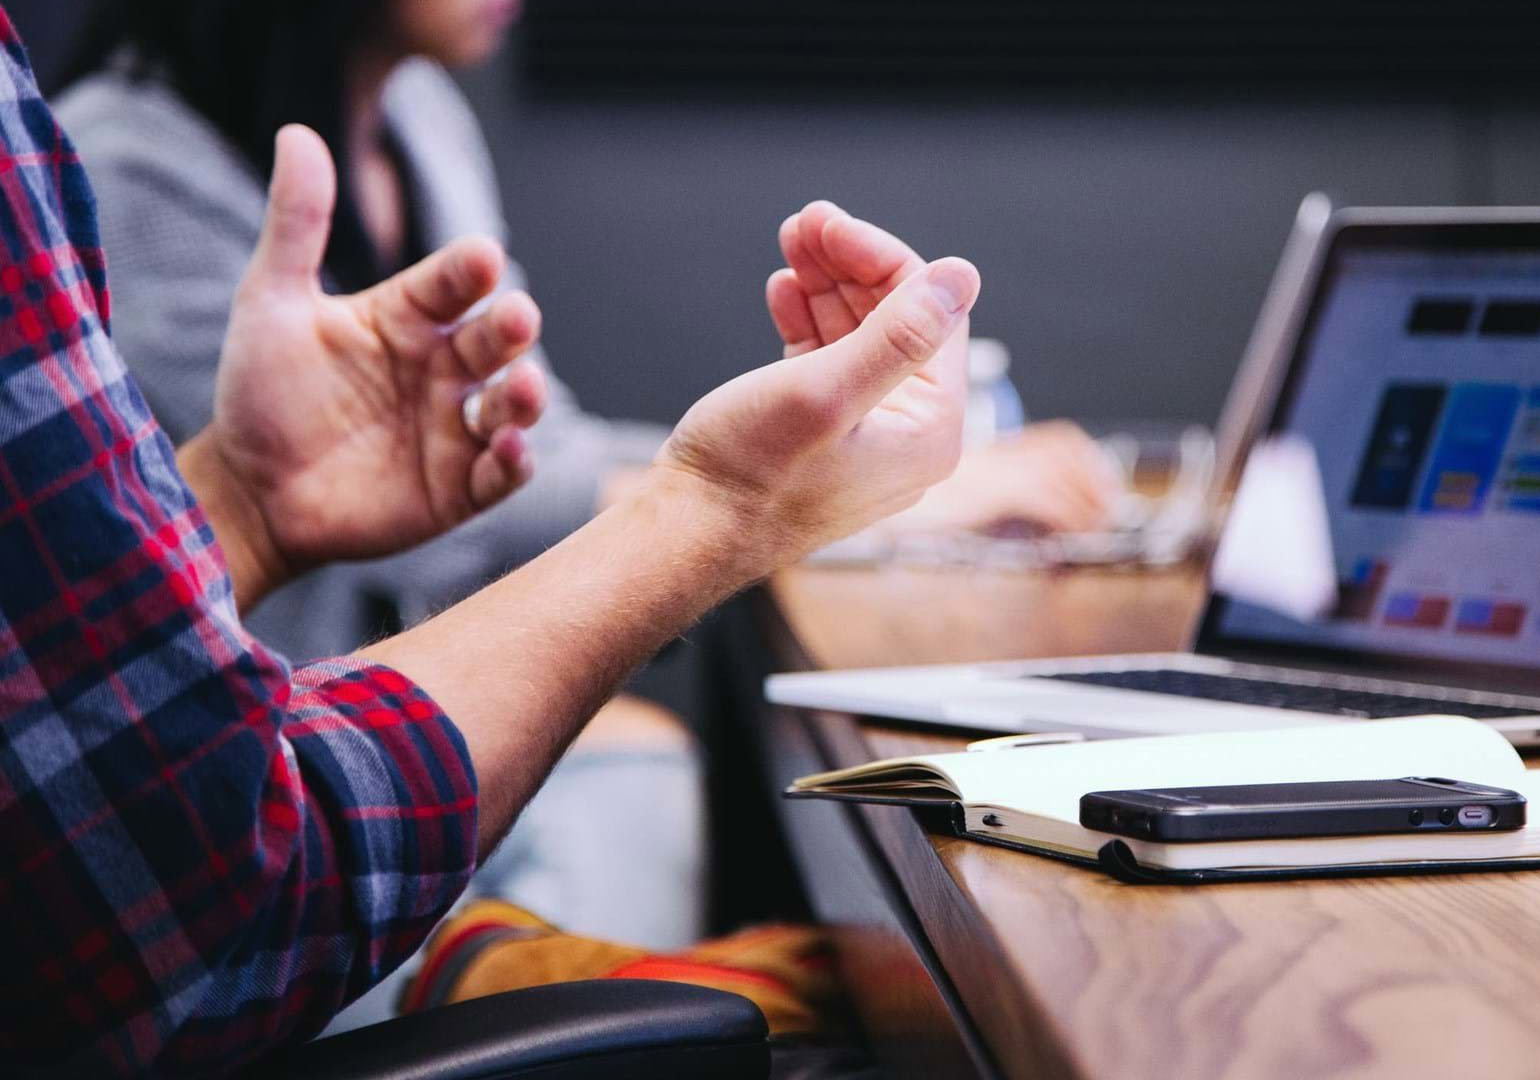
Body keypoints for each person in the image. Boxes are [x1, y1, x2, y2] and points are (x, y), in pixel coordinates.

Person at [0, 4, 983, 1071]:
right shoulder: (121, 158)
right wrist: (723, 505)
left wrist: (241, 503)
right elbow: (211, 894)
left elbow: (531, 443)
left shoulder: (420, 118)